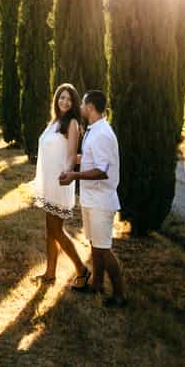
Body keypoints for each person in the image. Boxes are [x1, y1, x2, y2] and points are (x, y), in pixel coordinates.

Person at [59, 89, 127, 308]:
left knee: (103, 249)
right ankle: (97, 284)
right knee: (95, 245)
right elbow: (87, 159)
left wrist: (74, 175)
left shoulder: (103, 134)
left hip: (101, 201)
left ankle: (119, 295)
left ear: (89, 107)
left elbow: (102, 170)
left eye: (82, 105)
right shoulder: (93, 130)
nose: (79, 108)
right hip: (90, 199)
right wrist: (66, 158)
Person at [31, 83, 91, 286]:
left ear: (73, 102)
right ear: (56, 99)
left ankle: (82, 270)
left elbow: (72, 154)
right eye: (61, 97)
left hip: (60, 182)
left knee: (57, 230)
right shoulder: (54, 121)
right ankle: (50, 274)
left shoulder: (72, 123)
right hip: (49, 182)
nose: (64, 101)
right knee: (50, 230)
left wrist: (67, 173)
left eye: (68, 99)